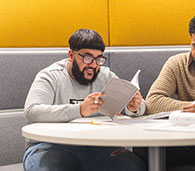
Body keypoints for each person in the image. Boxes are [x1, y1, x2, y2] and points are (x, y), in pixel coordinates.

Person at [23, 29, 146, 171]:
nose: (94, 65)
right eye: (87, 58)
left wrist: (134, 107)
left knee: (133, 166)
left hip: (97, 147)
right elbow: (32, 112)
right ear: (71, 55)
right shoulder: (51, 76)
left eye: (99, 59)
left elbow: (130, 106)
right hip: (50, 146)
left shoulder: (105, 76)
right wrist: (80, 110)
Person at [135, 12, 195, 171]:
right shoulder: (176, 63)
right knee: (141, 151)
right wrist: (194, 109)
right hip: (188, 140)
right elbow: (153, 101)